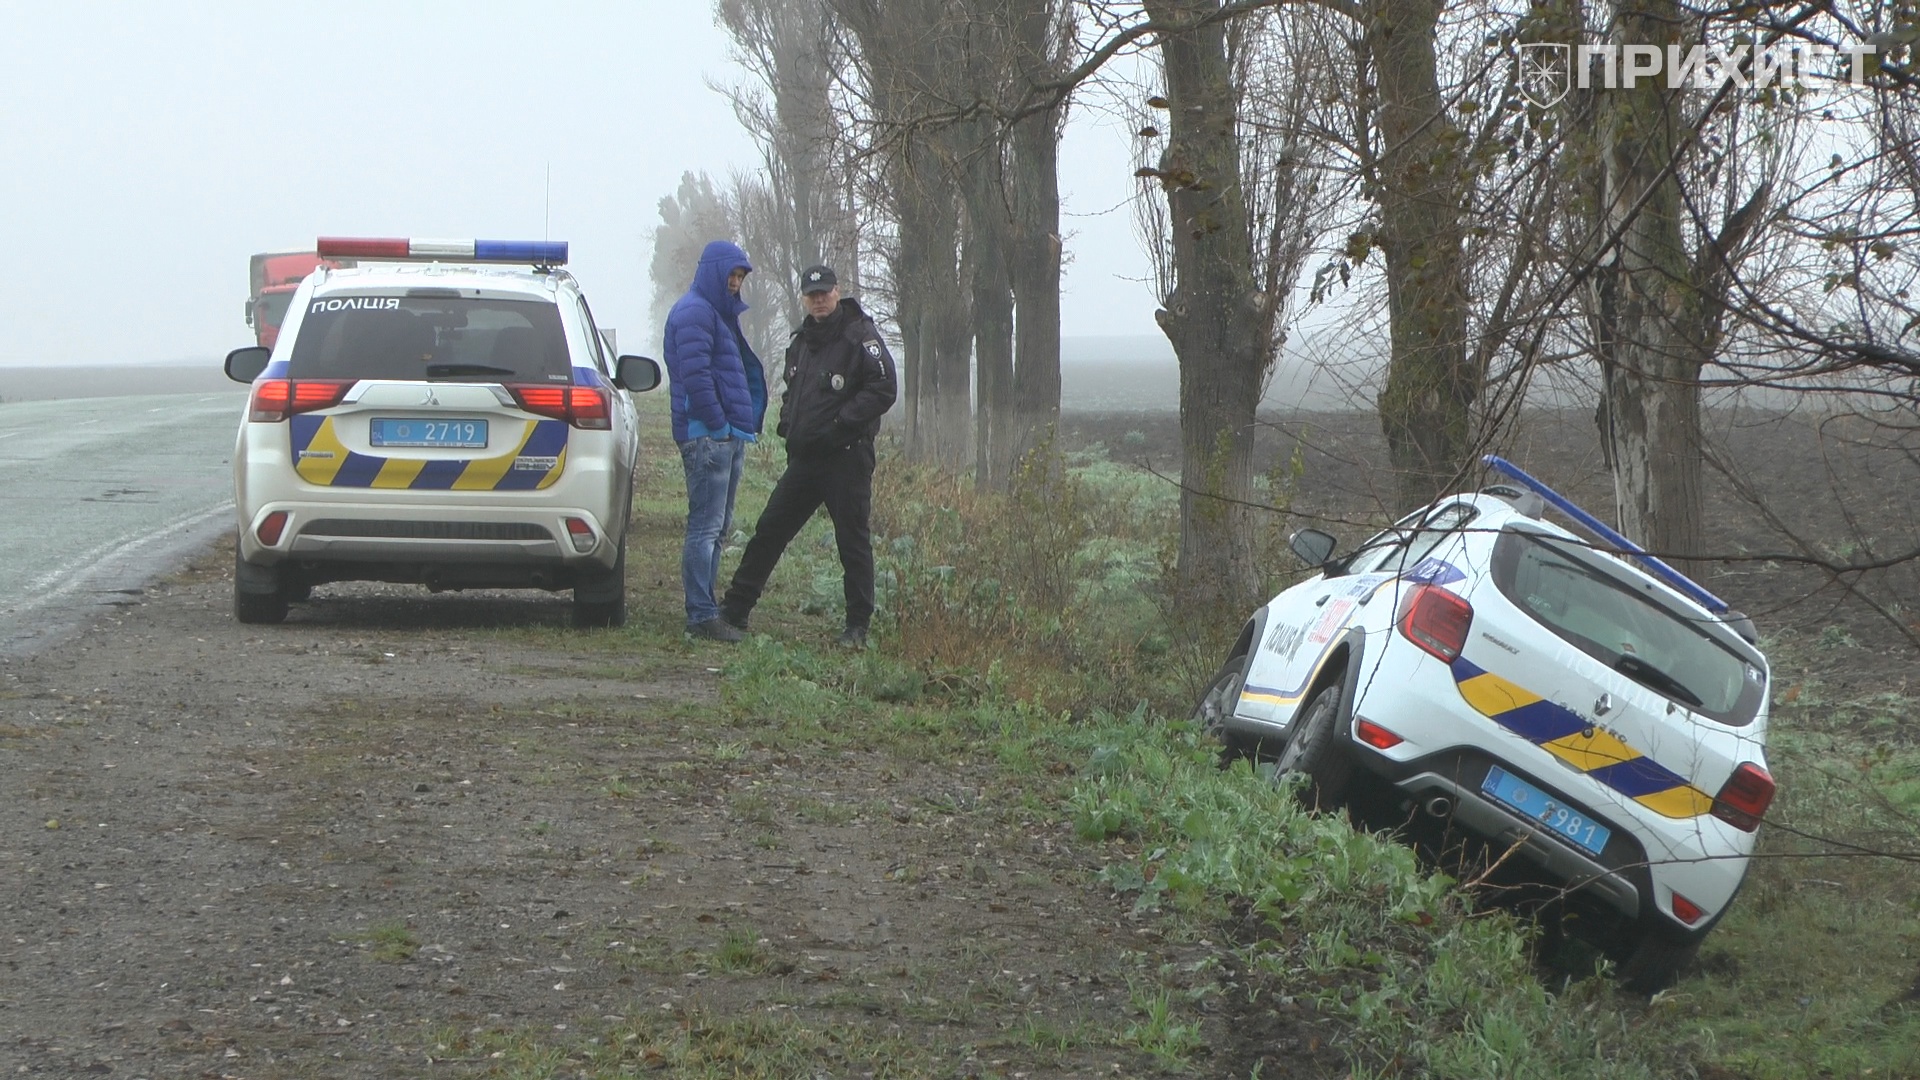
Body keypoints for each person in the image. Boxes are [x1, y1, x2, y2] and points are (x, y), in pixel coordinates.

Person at [720, 264, 897, 648]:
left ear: (837, 293)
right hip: (807, 459)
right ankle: (735, 610)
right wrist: (787, 423)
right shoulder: (802, 340)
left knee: (852, 542)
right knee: (770, 529)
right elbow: (792, 391)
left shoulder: (859, 336)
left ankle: (857, 627)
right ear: (804, 297)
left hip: (847, 457)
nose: (818, 300)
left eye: (824, 293)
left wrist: (841, 423)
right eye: (811, 295)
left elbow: (884, 388)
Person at [663, 240, 768, 642]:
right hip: (708, 437)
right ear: (714, 272)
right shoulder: (695, 312)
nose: (736, 283)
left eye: (740, 277)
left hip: (725, 436)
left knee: (718, 527)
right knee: (705, 528)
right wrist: (719, 424)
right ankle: (701, 615)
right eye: (732, 275)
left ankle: (707, 611)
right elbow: (696, 376)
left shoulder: (714, 313)